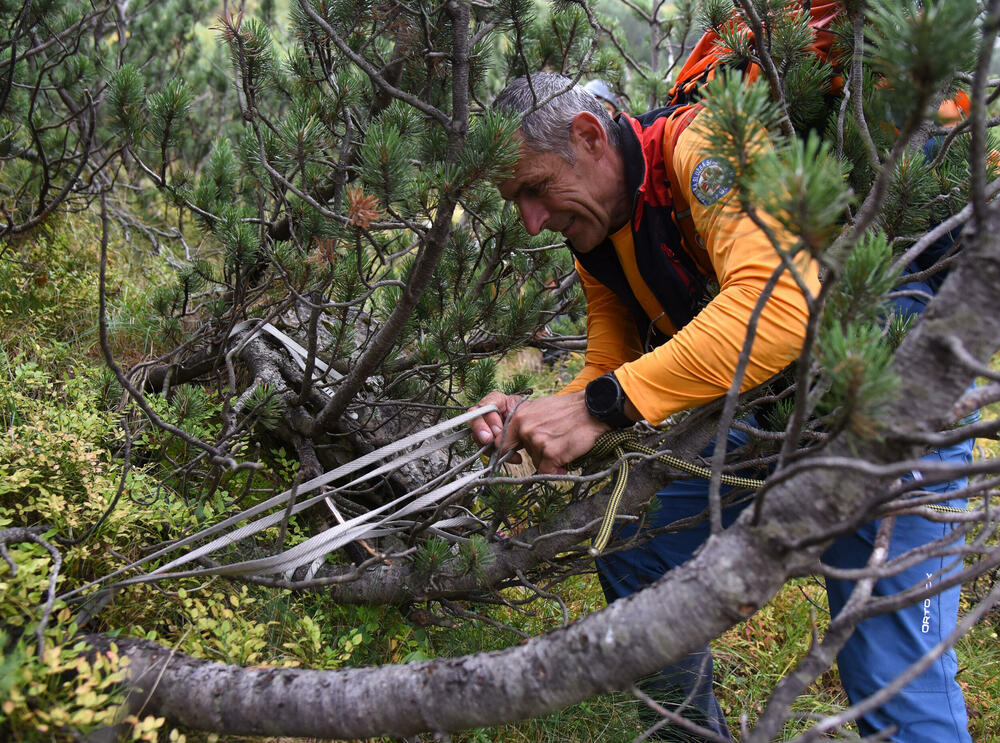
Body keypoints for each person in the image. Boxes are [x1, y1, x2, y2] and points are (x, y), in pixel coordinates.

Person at [469, 72, 973, 742]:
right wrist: (537, 411)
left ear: (589, 137)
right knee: (637, 540)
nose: (531, 220)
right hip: (774, 406)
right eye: (516, 202)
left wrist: (595, 407)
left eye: (535, 188)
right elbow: (611, 368)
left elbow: (780, 309)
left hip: (884, 386)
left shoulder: (701, 146)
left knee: (889, 676)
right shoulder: (597, 237)